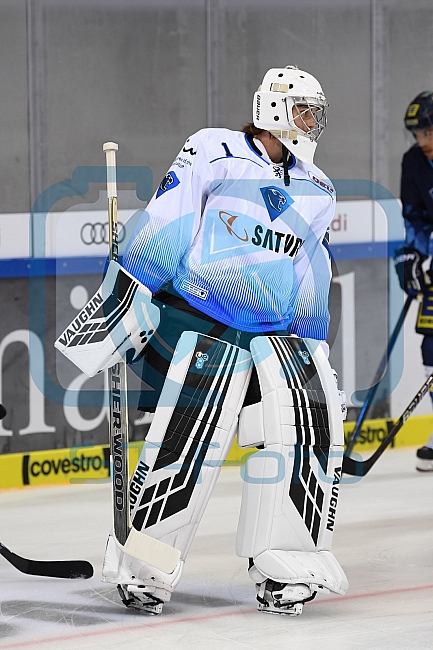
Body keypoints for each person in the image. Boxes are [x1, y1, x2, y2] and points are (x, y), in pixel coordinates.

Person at [99, 65, 348, 616]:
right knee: (187, 441)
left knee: (299, 436)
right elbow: (168, 220)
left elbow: (312, 271)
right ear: (274, 110)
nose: (312, 121)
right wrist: (127, 296)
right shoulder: (212, 150)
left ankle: (287, 563)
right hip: (203, 321)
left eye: (315, 111)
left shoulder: (318, 186)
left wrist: (315, 342)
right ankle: (145, 567)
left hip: (280, 339)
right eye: (304, 109)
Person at [394, 91, 433, 472]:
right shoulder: (413, 162)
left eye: (427, 133)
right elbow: (414, 217)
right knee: (431, 347)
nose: (422, 142)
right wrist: (411, 256)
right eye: (417, 135)